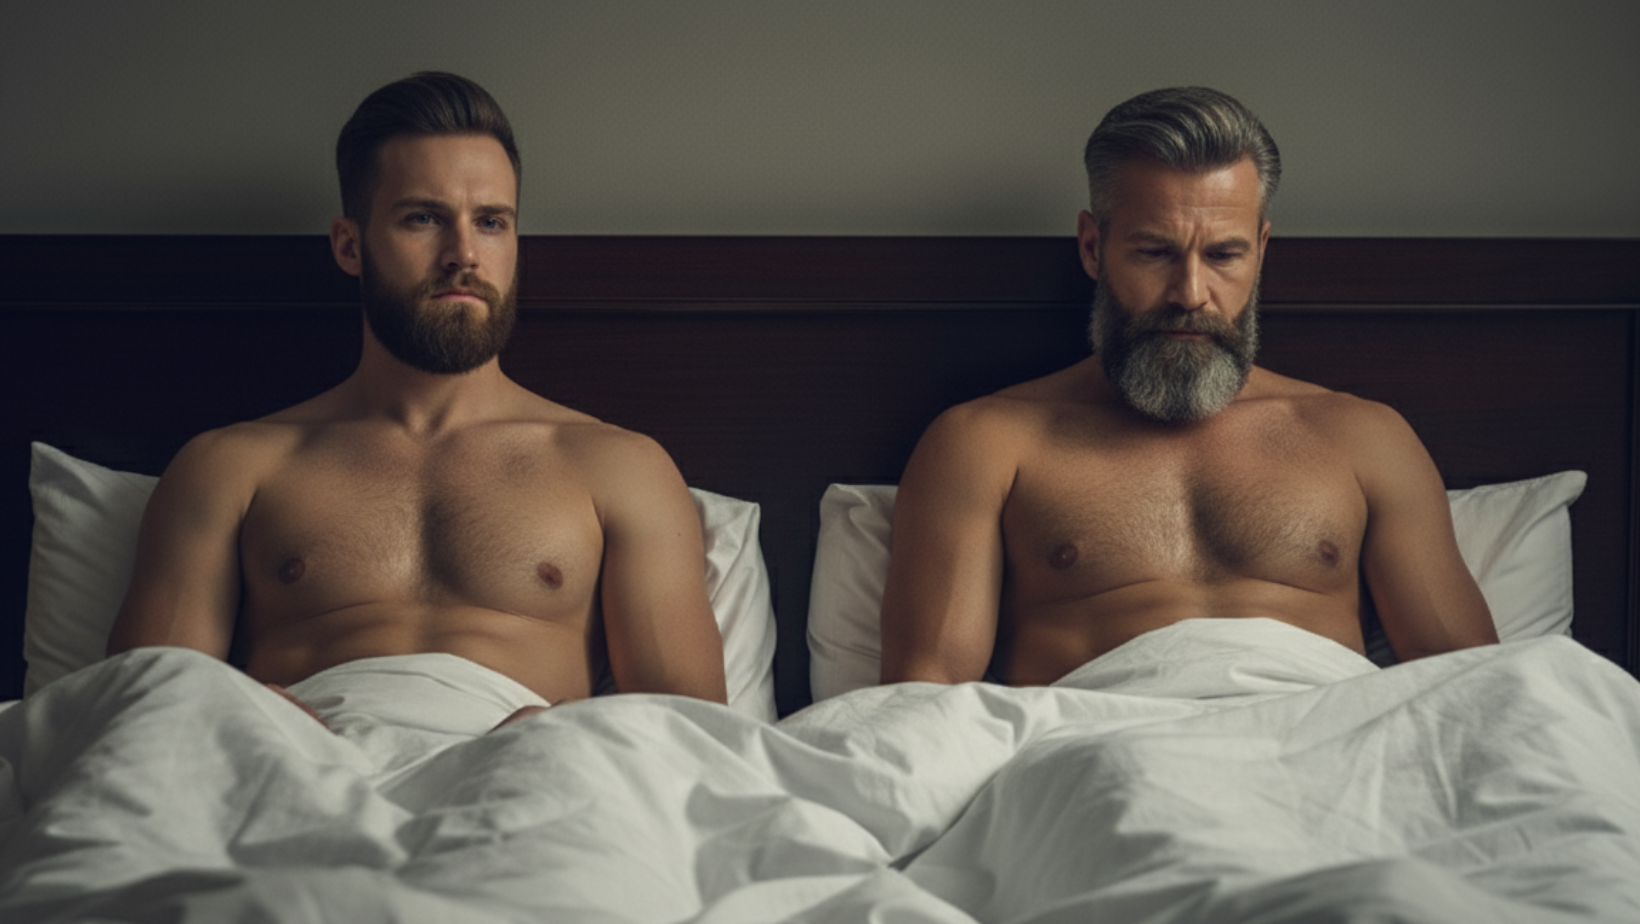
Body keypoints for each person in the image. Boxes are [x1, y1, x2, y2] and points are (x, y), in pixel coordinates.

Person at [108, 72, 728, 713]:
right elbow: (140, 715)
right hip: (293, 774)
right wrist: (255, 720)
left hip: (535, 783)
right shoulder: (232, 467)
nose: (464, 254)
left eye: (490, 222)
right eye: (423, 218)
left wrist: (560, 737)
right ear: (350, 246)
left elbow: (689, 733)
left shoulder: (620, 468)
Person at [878, 86, 1497, 687]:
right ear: (1094, 248)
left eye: (1225, 255)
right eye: (1155, 253)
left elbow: (1475, 685)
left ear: (1261, 250)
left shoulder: (1365, 438)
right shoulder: (985, 443)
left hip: (1327, 758)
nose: (1191, 293)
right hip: (1100, 763)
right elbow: (924, 705)